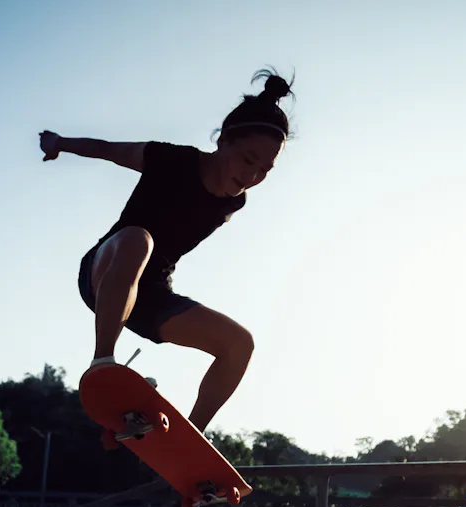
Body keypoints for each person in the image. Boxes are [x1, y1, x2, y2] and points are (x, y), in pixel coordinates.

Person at [39, 68, 295, 435]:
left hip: (152, 296)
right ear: (223, 141)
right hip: (105, 271)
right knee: (138, 240)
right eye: (248, 160)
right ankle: (104, 365)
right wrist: (60, 142)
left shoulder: (236, 202)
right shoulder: (171, 160)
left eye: (266, 169)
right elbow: (108, 150)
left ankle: (193, 438)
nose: (252, 175)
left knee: (240, 344)